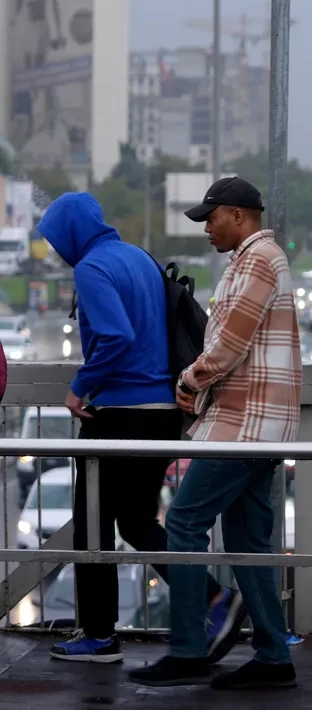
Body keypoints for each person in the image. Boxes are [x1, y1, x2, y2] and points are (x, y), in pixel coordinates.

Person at [36, 193, 234, 664]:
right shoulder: (138, 258)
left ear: (70, 232)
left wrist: (80, 386)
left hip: (120, 415)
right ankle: (215, 598)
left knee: (93, 524)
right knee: (138, 521)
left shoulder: (91, 268)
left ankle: (100, 636)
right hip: (163, 410)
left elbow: (116, 336)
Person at [130, 176, 302, 690]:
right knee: (251, 543)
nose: (206, 228)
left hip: (244, 424)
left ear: (239, 215)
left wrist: (188, 379)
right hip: (257, 425)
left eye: (211, 217)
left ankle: (188, 648)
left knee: (182, 521)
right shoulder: (260, 259)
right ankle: (273, 657)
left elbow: (229, 343)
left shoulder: (257, 260)